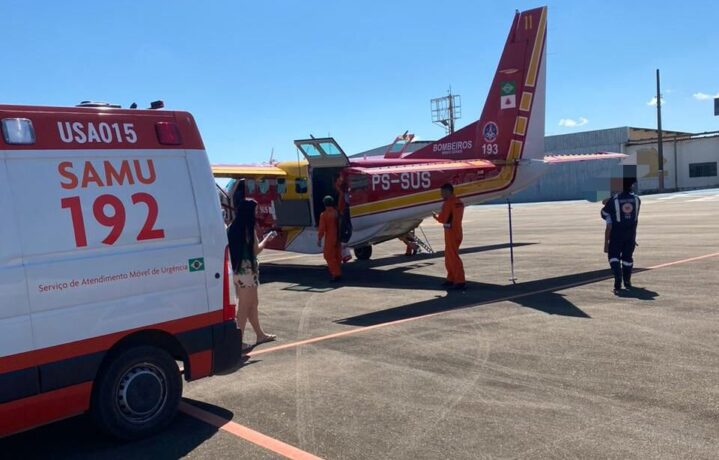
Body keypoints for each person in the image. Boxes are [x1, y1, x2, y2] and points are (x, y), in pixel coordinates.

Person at [227, 189, 277, 351]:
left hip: (237, 270)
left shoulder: (232, 228)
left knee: (252, 304)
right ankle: (237, 341)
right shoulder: (248, 229)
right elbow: (256, 250)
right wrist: (267, 240)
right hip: (247, 271)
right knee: (245, 306)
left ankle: (260, 334)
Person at [601, 178, 640, 294]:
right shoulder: (637, 200)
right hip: (631, 234)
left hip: (616, 234)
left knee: (614, 256)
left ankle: (618, 279)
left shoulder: (615, 200)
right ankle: (627, 281)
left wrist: (605, 243)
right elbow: (635, 219)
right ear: (631, 186)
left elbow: (604, 213)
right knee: (628, 258)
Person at [432, 183, 466, 290]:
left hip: (450, 232)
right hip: (457, 231)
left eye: (442, 192)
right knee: (450, 256)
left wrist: (436, 216)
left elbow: (443, 219)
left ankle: (459, 280)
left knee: (452, 257)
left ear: (448, 191)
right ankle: (451, 278)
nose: (441, 195)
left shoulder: (448, 203)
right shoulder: (458, 202)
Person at [317, 195, 342, 282]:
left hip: (330, 238)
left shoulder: (324, 215)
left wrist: (319, 238)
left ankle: (336, 274)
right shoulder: (336, 212)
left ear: (325, 204)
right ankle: (338, 271)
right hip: (338, 237)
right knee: (337, 256)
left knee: (328, 256)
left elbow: (322, 229)